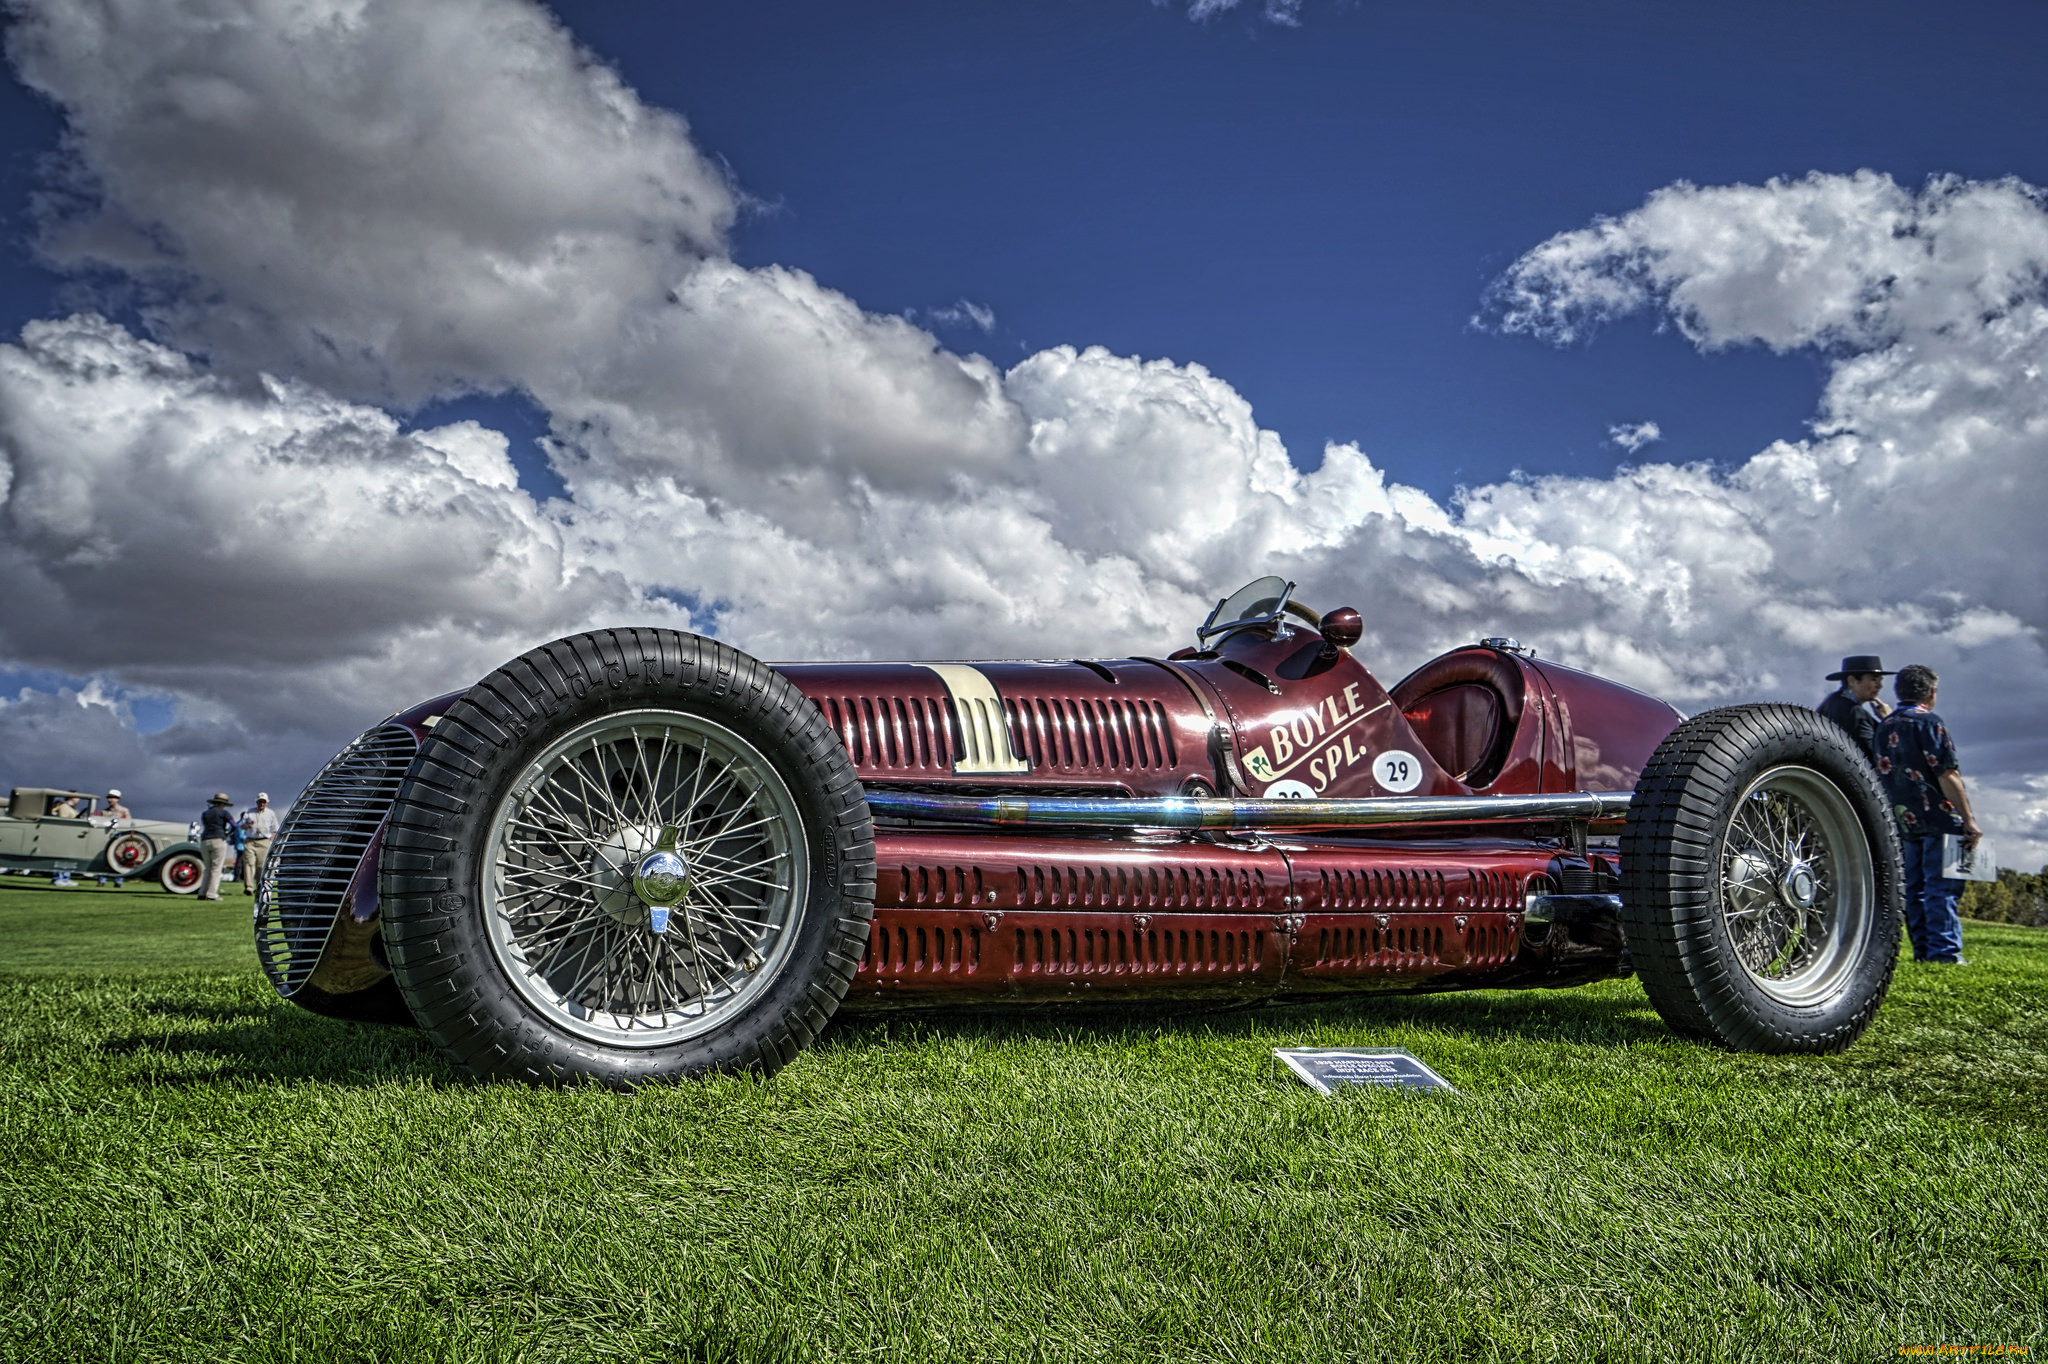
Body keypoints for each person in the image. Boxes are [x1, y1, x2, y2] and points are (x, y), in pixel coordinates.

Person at [1876, 665, 1981, 966]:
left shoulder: (1885, 725)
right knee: (1941, 888)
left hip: (1902, 817)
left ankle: (1923, 949)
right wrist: (1969, 819)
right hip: (1937, 816)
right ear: (1931, 692)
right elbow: (1947, 774)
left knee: (1914, 888)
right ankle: (1945, 952)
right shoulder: (1930, 723)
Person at [1817, 655, 1892, 764]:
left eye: (1880, 680)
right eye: (1873, 679)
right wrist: (1888, 721)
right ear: (1852, 681)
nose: (1879, 686)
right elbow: (1875, 754)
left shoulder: (1832, 701)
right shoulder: (1855, 713)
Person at [197, 792, 236, 901]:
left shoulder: (205, 813)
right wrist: (227, 834)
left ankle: (202, 892)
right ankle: (211, 894)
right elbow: (234, 825)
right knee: (216, 869)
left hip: (205, 840)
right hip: (218, 839)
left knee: (208, 868)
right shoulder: (224, 813)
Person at [239, 793, 279, 897]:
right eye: (260, 801)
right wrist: (247, 825)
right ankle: (248, 887)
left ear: (267, 803)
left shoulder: (271, 813)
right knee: (248, 864)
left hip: (264, 841)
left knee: (261, 865)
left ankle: (260, 886)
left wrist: (271, 840)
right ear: (256, 802)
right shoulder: (249, 812)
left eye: (264, 801)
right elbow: (241, 826)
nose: (261, 803)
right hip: (250, 840)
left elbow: (275, 829)